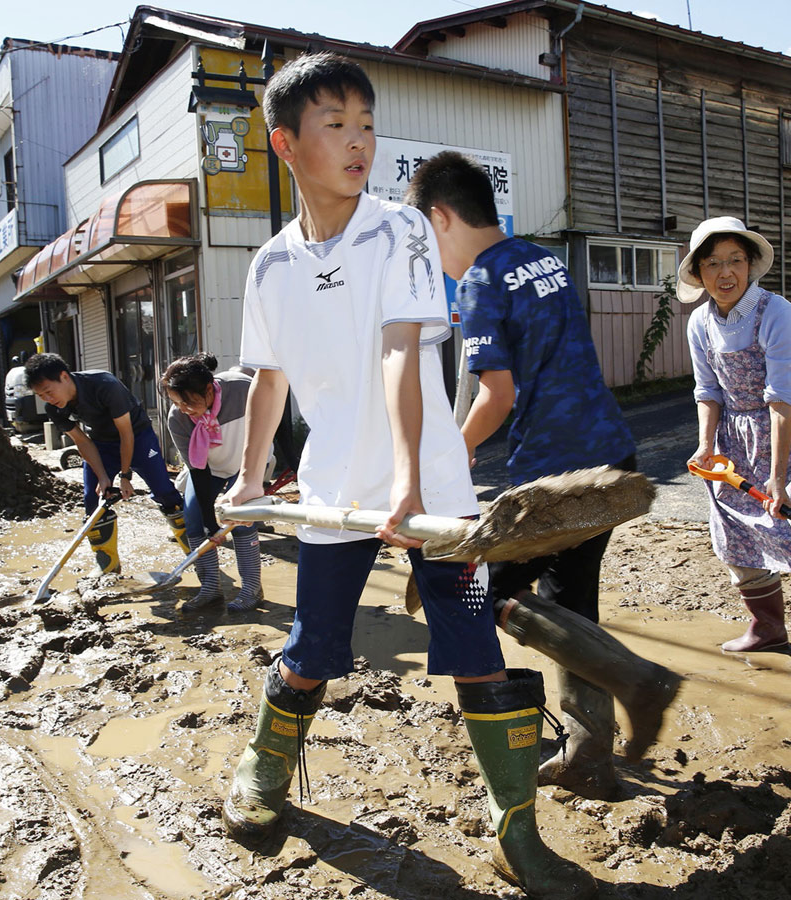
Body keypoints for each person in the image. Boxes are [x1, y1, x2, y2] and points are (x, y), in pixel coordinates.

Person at [217, 53, 597, 898]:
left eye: (366, 123)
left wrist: (411, 484)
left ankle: (517, 835)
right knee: (313, 648)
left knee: (473, 649)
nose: (359, 142)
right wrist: (248, 481)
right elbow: (269, 380)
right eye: (335, 125)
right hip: (332, 496)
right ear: (286, 143)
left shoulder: (399, 230)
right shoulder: (269, 267)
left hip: (433, 494)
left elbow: (401, 350)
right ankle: (264, 772)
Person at [406, 150, 677, 801]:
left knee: (472, 590)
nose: (430, 257)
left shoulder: (479, 282)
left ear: (442, 218)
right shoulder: (543, 261)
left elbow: (494, 396)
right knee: (569, 604)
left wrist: (452, 452)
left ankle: (639, 680)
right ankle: (589, 757)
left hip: (555, 478)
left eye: (424, 239)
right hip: (612, 458)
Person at [678, 216, 791, 694]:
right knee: (731, 528)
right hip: (735, 432)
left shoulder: (777, 313)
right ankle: (767, 628)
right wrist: (707, 445)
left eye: (734, 261)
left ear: (750, 265)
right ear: (699, 272)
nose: (724, 273)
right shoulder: (700, 322)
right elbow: (707, 390)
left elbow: (781, 397)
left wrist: (776, 476)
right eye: (713, 264)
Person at [24, 352, 189, 575]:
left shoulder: (103, 384)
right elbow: (82, 441)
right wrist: (103, 477)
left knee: (165, 493)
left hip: (137, 437)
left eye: (49, 392)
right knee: (93, 499)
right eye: (41, 396)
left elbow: (126, 433)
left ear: (64, 377)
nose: (48, 399)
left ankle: (196, 551)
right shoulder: (54, 409)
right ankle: (107, 565)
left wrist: (124, 475)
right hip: (101, 443)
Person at [163, 354, 272, 613]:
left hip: (248, 464)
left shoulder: (242, 389)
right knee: (193, 517)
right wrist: (210, 523)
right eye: (177, 402)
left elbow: (272, 419)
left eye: (189, 401)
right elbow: (198, 472)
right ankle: (210, 588)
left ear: (209, 389)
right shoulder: (177, 419)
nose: (184, 409)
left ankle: (252, 589)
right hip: (209, 468)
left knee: (242, 520)